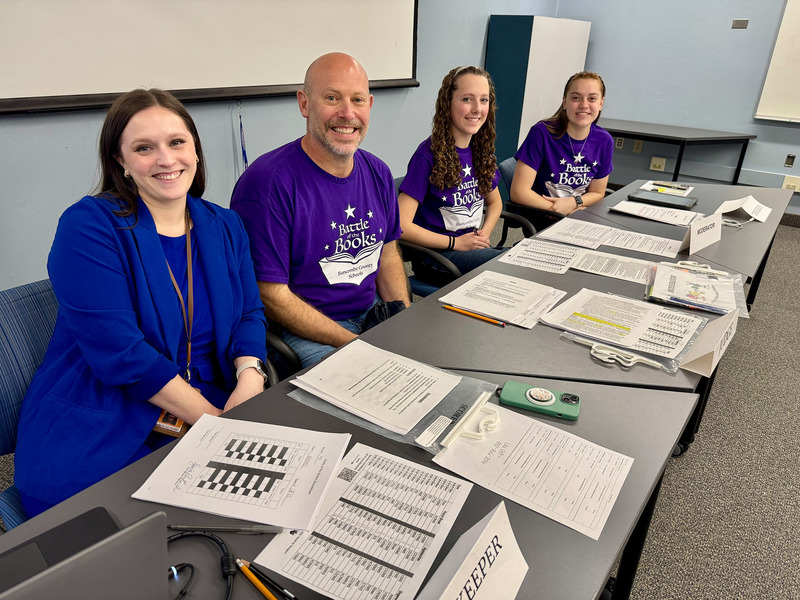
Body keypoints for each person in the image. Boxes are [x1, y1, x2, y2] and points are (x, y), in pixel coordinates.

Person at [14, 89, 268, 517]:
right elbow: (122, 353)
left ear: (195, 150)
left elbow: (249, 314)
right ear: (121, 162)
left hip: (213, 400)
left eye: (177, 142)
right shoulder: (88, 226)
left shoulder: (225, 225)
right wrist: (215, 425)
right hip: (103, 420)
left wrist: (250, 379)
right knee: (151, 543)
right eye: (144, 148)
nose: (166, 159)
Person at [231, 52, 410, 369]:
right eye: (331, 98)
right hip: (302, 331)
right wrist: (354, 344)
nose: (347, 113)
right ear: (304, 104)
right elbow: (270, 294)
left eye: (357, 100)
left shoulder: (378, 172)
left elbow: (388, 254)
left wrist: (402, 316)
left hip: (370, 311)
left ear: (369, 105)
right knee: (367, 388)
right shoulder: (266, 184)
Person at [398, 66, 504, 286]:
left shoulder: (481, 150)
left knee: (522, 255)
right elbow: (401, 224)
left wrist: (484, 234)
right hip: (436, 257)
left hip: (470, 250)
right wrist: (455, 243)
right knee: (509, 263)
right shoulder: (427, 155)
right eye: (467, 99)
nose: (477, 109)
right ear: (448, 103)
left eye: (484, 100)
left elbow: (495, 203)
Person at [509, 71, 613, 230]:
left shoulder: (604, 141)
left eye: (592, 98)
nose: (584, 105)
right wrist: (558, 209)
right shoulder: (541, 133)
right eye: (576, 98)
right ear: (565, 102)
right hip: (543, 218)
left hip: (578, 214)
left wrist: (574, 203)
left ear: (601, 103)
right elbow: (519, 192)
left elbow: (598, 193)